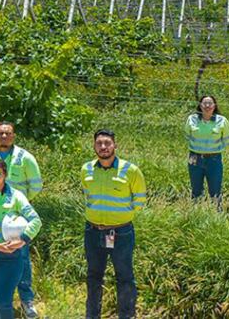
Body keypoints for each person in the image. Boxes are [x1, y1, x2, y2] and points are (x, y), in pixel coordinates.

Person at [0, 121, 44, 317]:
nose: (4, 137)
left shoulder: (24, 157)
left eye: (8, 133)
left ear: (13, 136)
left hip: (17, 221)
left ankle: (26, 300)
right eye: (0, 133)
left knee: (21, 259)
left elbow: (36, 184)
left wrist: (18, 204)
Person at [82, 129, 147, 319]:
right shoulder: (86, 169)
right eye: (99, 143)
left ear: (115, 145)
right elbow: (87, 195)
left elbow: (140, 199)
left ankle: (126, 315)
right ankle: (92, 315)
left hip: (121, 233)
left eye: (107, 143)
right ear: (94, 146)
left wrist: (121, 217)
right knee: (93, 275)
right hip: (93, 231)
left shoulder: (131, 170)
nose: (103, 147)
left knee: (124, 276)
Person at [186, 95, 229, 206]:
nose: (207, 106)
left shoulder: (222, 121)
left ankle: (217, 215)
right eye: (204, 103)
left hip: (214, 158)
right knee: (196, 189)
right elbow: (187, 135)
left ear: (214, 106)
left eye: (210, 103)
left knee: (215, 190)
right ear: (200, 105)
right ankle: (195, 213)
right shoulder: (192, 119)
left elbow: (227, 139)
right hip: (194, 157)